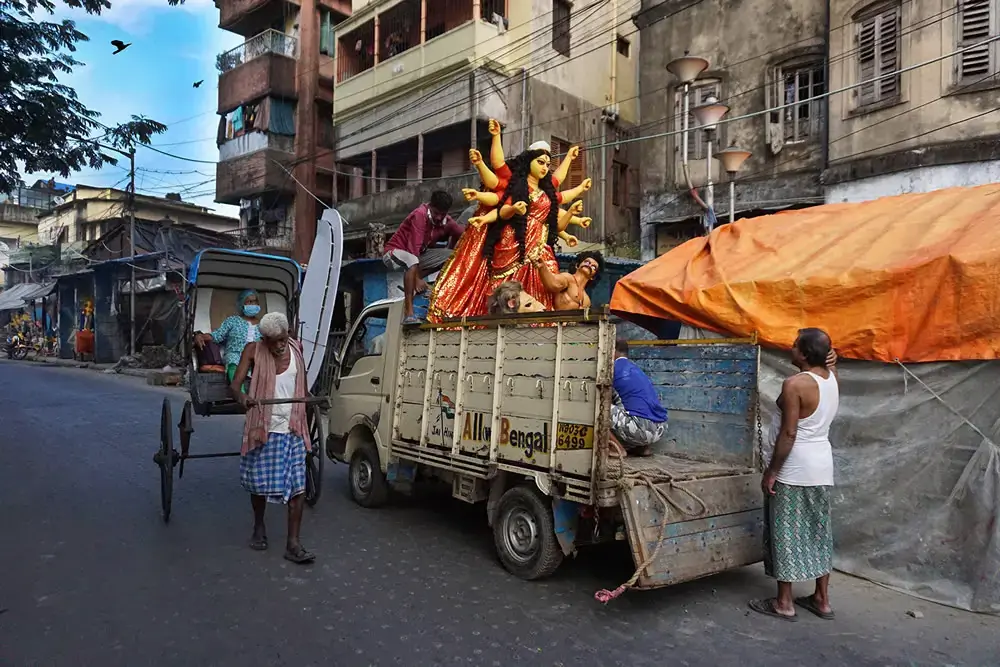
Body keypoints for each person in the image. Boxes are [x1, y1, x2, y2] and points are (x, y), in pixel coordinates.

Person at [749, 328, 839, 622]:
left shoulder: (795, 384)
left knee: (785, 533)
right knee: (818, 532)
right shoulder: (831, 379)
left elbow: (789, 433)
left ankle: (784, 602)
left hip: (794, 468)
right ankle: (821, 599)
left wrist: (772, 472)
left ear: (803, 352)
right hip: (822, 467)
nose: (790, 347)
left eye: (794, 344)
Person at [230, 312, 315, 564]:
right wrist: (243, 397)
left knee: (298, 488)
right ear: (264, 339)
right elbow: (236, 385)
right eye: (274, 341)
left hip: (293, 427)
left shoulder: (296, 349)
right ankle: (259, 526)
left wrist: (307, 401)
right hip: (265, 427)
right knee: (259, 484)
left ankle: (293, 544)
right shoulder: (253, 350)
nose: (280, 345)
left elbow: (303, 384)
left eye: (283, 339)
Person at [383, 190, 465, 324]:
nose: (439, 218)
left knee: (452, 256)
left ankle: (423, 285)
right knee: (412, 260)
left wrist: (452, 246)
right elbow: (413, 248)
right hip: (394, 253)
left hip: (416, 258)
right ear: (430, 207)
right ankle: (409, 314)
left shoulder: (447, 221)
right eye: (436, 213)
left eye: (442, 214)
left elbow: (461, 233)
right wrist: (416, 279)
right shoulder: (419, 215)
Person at [609, 339, 668, 457]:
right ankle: (643, 449)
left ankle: (618, 450)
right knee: (633, 406)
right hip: (661, 428)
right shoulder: (635, 368)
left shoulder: (611, 369)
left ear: (613, 350)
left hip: (641, 430)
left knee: (596, 408)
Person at [194, 289, 261, 384]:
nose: (253, 304)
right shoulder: (232, 321)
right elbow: (217, 335)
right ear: (242, 304)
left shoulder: (263, 324)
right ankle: (238, 392)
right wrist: (200, 336)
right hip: (235, 356)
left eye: (255, 301)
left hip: (256, 358)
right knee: (233, 361)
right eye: (250, 302)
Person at [532, 250, 604, 311]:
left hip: (573, 327)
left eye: (594, 267)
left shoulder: (587, 300)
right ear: (577, 265)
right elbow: (553, 284)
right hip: (556, 325)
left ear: (593, 277)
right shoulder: (568, 278)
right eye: (587, 262)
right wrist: (543, 268)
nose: (589, 265)